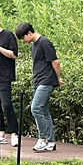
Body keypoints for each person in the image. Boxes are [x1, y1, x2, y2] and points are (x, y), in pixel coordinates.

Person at [15, 22, 63, 153]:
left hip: (47, 81)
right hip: (38, 81)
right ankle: (51, 141)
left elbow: (55, 61)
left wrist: (58, 79)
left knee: (35, 108)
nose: (23, 41)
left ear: (29, 33)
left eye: (23, 38)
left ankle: (43, 139)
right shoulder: (34, 46)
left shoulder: (44, 42)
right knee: (44, 111)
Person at [0, 13, 20, 147]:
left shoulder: (8, 35)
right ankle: (1, 133)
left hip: (4, 76)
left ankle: (14, 133)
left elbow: (14, 55)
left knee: (7, 104)